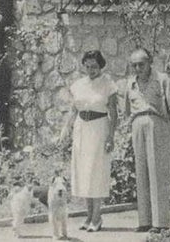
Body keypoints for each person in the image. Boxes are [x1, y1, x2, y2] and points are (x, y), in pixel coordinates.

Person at [59, 50, 118, 233]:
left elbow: (114, 113)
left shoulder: (108, 85)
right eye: (88, 66)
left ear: (101, 66)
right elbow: (72, 109)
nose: (91, 70)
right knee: (84, 172)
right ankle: (88, 215)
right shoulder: (78, 85)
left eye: (94, 66)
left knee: (97, 171)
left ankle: (97, 217)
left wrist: (111, 137)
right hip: (81, 128)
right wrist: (65, 129)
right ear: (83, 66)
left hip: (99, 128)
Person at [124, 48, 170, 233]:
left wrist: (165, 126)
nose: (138, 68)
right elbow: (127, 109)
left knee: (158, 172)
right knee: (141, 172)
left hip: (158, 124)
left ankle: (161, 222)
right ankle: (145, 220)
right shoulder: (130, 83)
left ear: (150, 63)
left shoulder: (162, 79)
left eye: (141, 64)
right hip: (137, 124)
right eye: (134, 65)